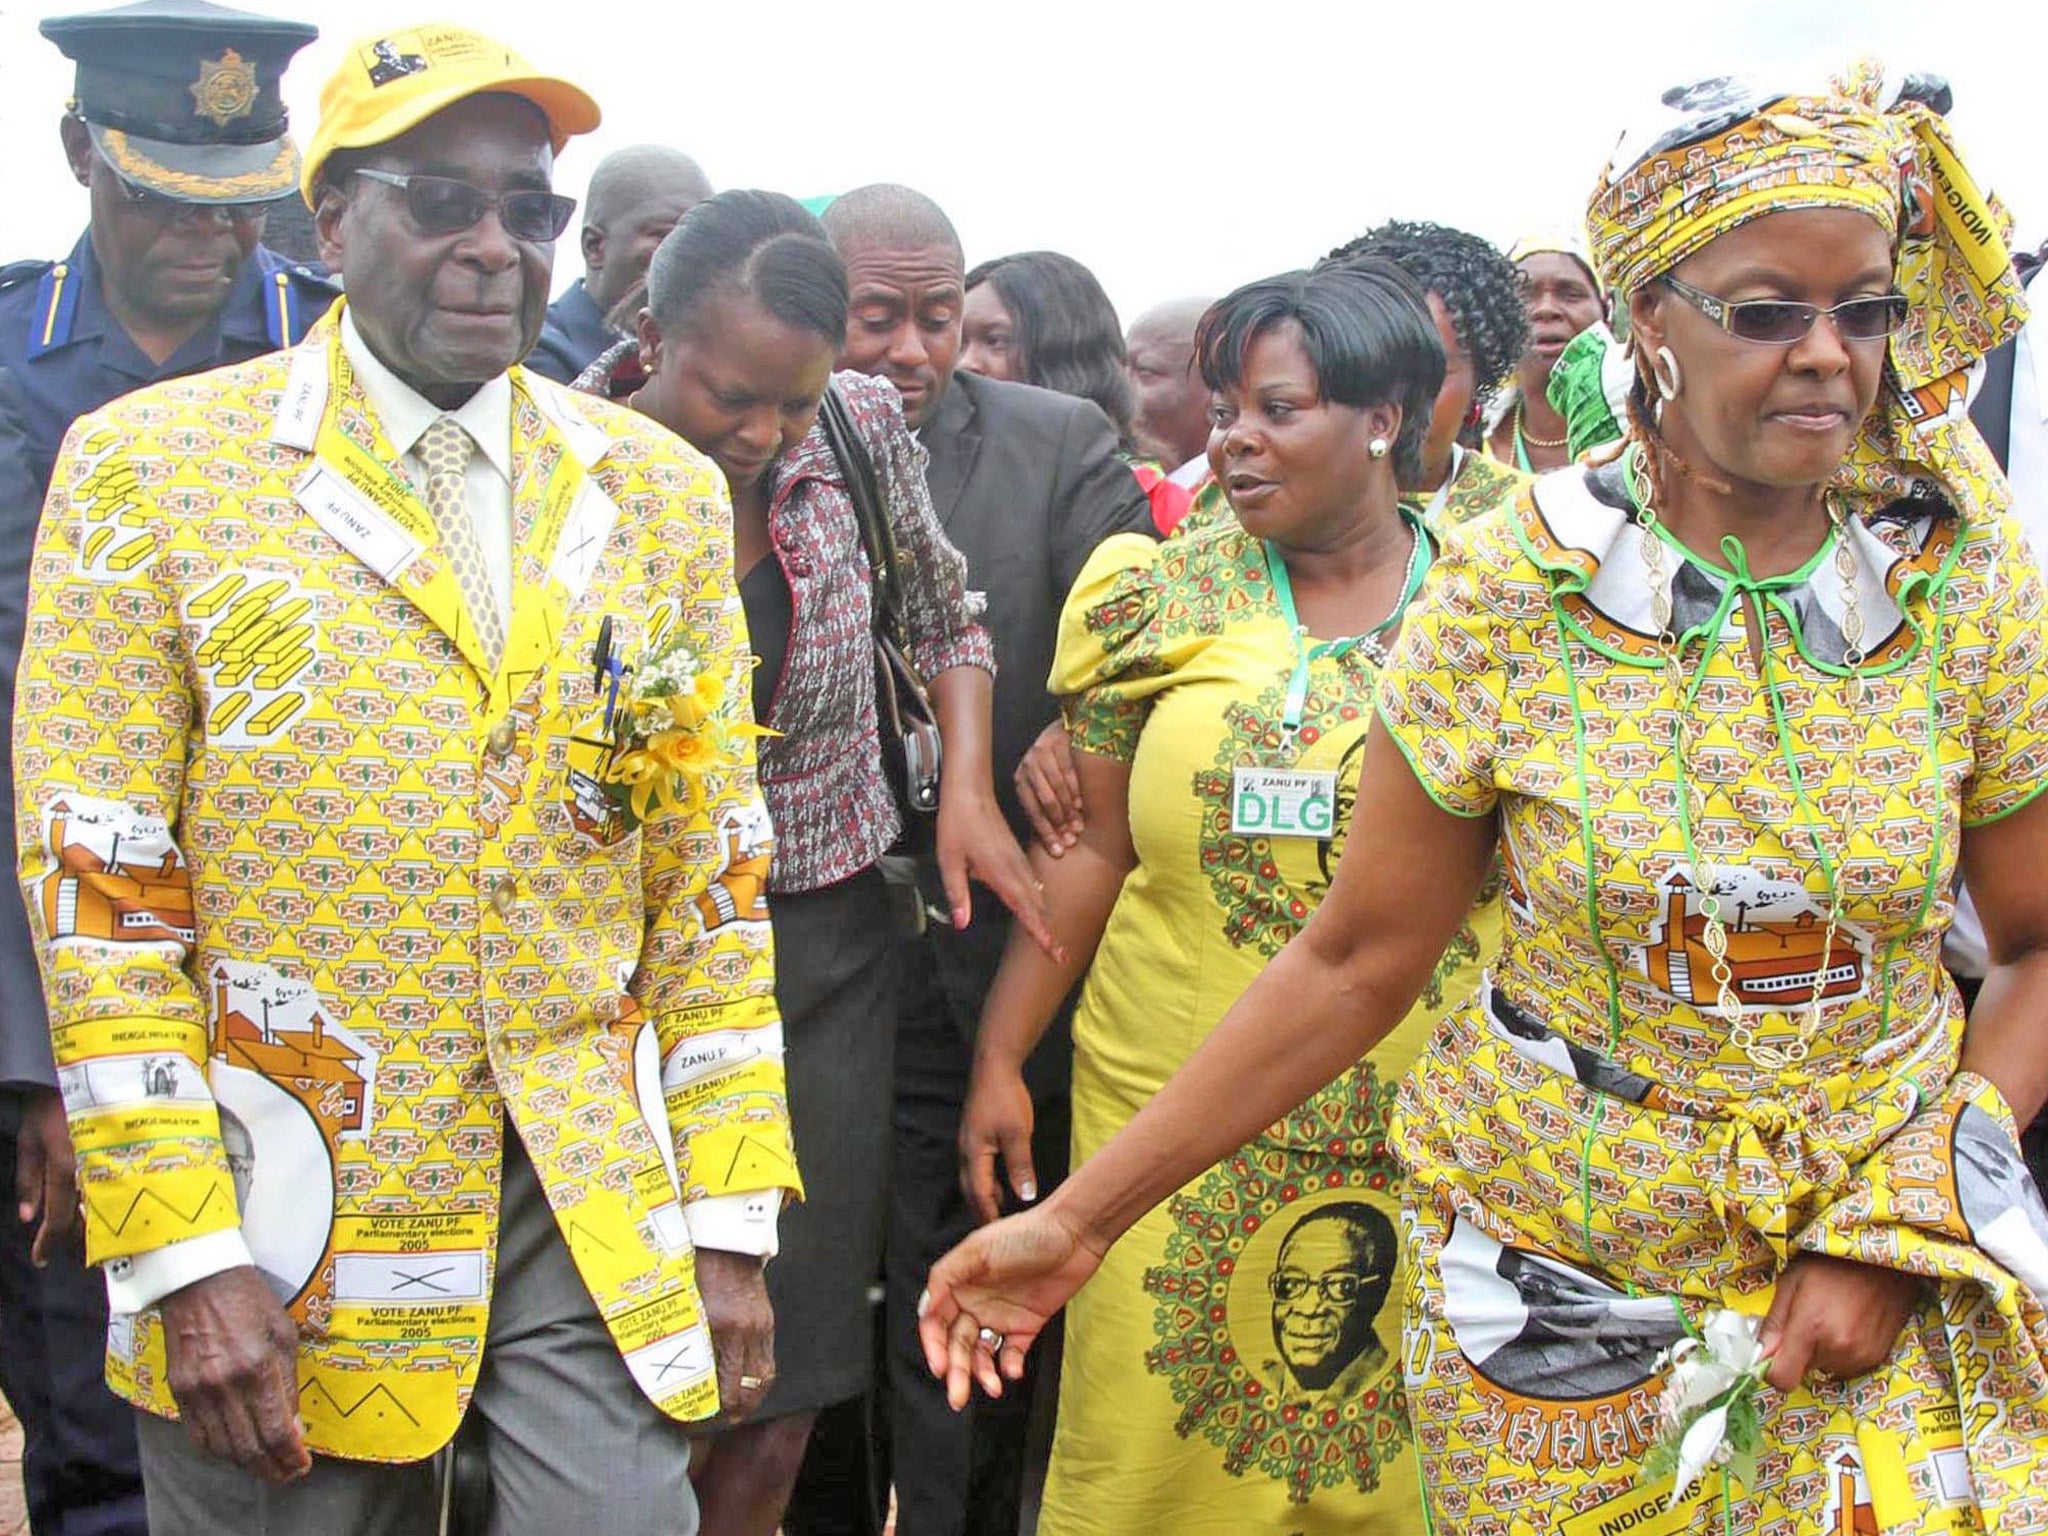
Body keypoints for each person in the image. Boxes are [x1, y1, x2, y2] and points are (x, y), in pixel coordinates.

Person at [920, 66, 2048, 1535]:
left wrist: (1900, 1230)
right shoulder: (1515, 587)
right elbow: (1356, 957)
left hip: (1876, 1288)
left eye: (1867, 310)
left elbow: (2030, 949)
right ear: (1652, 319)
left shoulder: (1959, 579)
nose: (1830, 355)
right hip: (1551, 1303)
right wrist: (1075, 1222)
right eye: (1768, 312)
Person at [13, 25, 801, 1536]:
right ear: (331, 221)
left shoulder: (657, 495)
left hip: (578, 1179)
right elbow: (100, 907)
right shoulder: (151, 474)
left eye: (530, 211)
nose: (494, 248)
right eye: (441, 202)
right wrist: (185, 1256)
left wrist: (730, 1216)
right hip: (290, 1197)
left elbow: (712, 885)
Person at [958, 260, 1498, 1534]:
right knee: (1153, 1458)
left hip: (1421, 1126)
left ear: (1382, 420)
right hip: (1163, 1114)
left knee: (1395, 1466)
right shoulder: (1148, 593)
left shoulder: (1498, 607)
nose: (1233, 444)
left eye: (1277, 410)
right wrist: (999, 1053)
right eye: (1222, 414)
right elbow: (1090, 853)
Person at [595, 187, 1049, 1536]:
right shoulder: (564, 456)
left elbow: (944, 613)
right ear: (648, 334)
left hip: (823, 946)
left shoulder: (854, 427)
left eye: (790, 404)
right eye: (732, 396)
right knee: (631, 1347)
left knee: (785, 1370)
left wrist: (965, 785)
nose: (761, 434)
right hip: (624, 969)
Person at [0, 7, 332, 1534]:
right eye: (166, 198)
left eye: (240, 199)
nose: (215, 238)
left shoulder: (340, 354)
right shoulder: (10, 354)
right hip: (49, 987)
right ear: (81, 155)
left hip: (315, 998)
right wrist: (42, 1062)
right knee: (93, 1427)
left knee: (320, 1418)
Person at [817, 183, 1153, 1536]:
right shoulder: (767, 440)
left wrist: (1078, 719)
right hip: (823, 952)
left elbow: (1137, 614)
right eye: (875, 315)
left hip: (1009, 949)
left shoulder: (1057, 440)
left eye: (938, 317)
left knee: (994, 1279)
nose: (909, 348)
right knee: (834, 1284)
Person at [962, 250, 1189, 535]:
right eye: (959, 342)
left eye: (995, 341)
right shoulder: (934, 475)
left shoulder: (1146, 502)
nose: (966, 363)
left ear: (1064, 355)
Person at [1326, 221, 1535, 527]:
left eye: (1428, 376)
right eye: (1368, 370)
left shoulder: (1534, 516)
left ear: (1478, 381)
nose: (1393, 406)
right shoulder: (1266, 514)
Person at [527, 144, 711, 381]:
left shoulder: (701, 349)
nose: (695, 255)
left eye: (704, 238)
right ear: (595, 247)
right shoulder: (541, 353)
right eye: (667, 236)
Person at [1483, 235, 1606, 473]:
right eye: (1525, 295)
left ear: (1606, 311)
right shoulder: (1473, 444)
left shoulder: (1649, 431)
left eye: (1570, 294)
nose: (1546, 309)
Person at [1124, 297, 1216, 488]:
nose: (1119, 387)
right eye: (1120, 367)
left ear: (1218, 398)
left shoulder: (1234, 507)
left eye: (1144, 371)